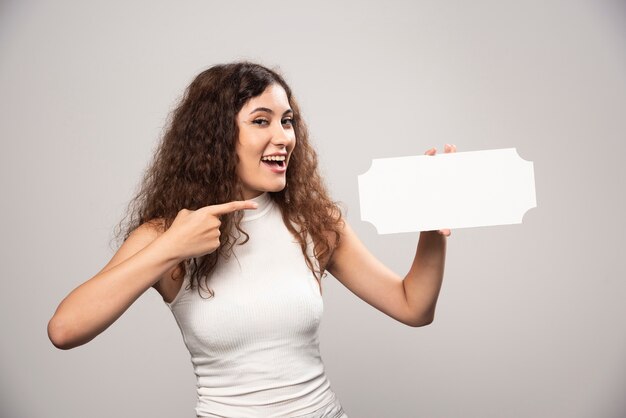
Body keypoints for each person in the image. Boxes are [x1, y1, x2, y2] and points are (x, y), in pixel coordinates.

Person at [47, 61, 456, 418]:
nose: (283, 137)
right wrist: (171, 246)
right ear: (217, 136)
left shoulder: (313, 222)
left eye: (287, 120)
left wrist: (431, 227)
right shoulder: (165, 235)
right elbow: (64, 329)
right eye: (261, 121)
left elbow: (413, 306)